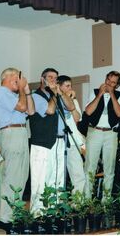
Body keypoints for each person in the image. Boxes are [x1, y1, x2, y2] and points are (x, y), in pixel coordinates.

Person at [29, 68, 75, 215]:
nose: (53, 80)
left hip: (60, 141)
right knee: (41, 179)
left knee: (58, 178)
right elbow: (49, 110)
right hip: (43, 143)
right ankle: (38, 214)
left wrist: (60, 93)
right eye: (50, 77)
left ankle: (54, 211)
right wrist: (55, 95)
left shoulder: (56, 95)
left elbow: (71, 107)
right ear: (42, 79)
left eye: (55, 78)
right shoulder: (36, 96)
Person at [0, 68, 34, 224]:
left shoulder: (16, 96)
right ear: (8, 77)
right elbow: (22, 107)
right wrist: (23, 91)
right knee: (12, 175)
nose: (19, 81)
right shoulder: (1, 91)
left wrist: (27, 90)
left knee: (21, 176)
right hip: (11, 133)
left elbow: (30, 110)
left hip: (21, 133)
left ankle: (15, 213)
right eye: (17, 78)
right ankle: (5, 217)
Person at [83, 71, 120, 198]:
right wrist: (100, 94)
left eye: (113, 83)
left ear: (116, 85)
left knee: (109, 168)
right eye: (108, 80)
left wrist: (112, 94)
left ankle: (106, 201)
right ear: (105, 79)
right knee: (90, 166)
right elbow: (88, 111)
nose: (109, 84)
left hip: (110, 134)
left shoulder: (119, 95)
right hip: (94, 132)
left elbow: (119, 114)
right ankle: (86, 200)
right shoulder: (95, 92)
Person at [57, 75, 86, 194]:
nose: (70, 88)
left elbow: (77, 118)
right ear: (59, 87)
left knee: (77, 173)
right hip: (59, 141)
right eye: (67, 86)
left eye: (71, 86)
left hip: (73, 141)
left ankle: (78, 202)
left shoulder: (73, 100)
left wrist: (71, 102)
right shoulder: (54, 100)